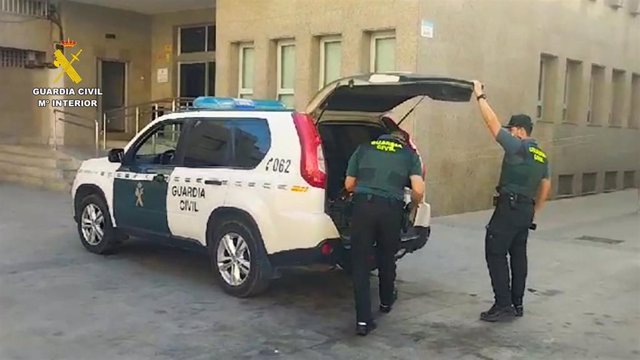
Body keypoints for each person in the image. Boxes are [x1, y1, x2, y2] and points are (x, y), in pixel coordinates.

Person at [471, 80, 552, 322]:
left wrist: (480, 96)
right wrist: (535, 211)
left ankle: (503, 304)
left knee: (495, 251)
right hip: (525, 209)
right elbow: (546, 186)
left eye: (512, 129)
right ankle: (517, 304)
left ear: (519, 130)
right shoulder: (542, 156)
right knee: (518, 255)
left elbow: (492, 125)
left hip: (510, 207)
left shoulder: (518, 147)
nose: (511, 132)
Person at [344, 129, 425, 336]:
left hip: (363, 208)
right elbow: (418, 189)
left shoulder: (363, 148)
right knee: (387, 256)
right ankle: (386, 302)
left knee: (360, 264)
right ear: (403, 141)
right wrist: (412, 207)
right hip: (391, 209)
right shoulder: (409, 154)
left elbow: (349, 184)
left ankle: (363, 321)